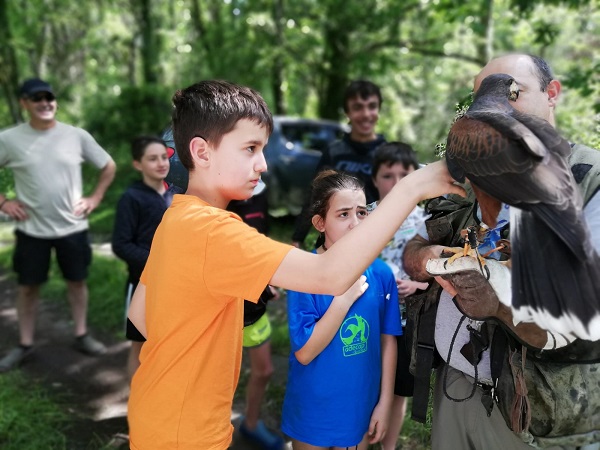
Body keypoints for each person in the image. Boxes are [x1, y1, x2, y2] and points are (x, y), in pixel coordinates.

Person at [126, 79, 463, 450]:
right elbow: (330, 275)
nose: (263, 163)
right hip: (185, 433)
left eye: (263, 148)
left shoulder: (175, 219)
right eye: (250, 148)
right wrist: (411, 188)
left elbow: (141, 315)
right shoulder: (215, 231)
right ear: (202, 152)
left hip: (156, 412)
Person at [402, 53, 600, 450]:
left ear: (552, 93)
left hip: (535, 409)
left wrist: (497, 303)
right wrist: (428, 259)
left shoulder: (590, 181)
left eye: (516, 91)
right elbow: (414, 242)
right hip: (455, 384)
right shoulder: (468, 170)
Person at [0, 78, 116, 372]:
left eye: (48, 98)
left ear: (55, 102)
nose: (44, 103)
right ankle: (25, 344)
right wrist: (4, 203)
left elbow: (108, 166)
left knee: (76, 282)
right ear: (24, 103)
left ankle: (81, 334)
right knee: (28, 288)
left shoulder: (75, 136)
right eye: (36, 98)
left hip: (72, 228)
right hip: (31, 230)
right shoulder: (9, 139)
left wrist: (95, 197)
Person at [281, 169, 401, 449]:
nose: (355, 223)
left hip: (360, 409)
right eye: (343, 214)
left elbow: (388, 341)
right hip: (313, 412)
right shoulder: (302, 272)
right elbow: (305, 352)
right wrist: (343, 299)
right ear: (320, 223)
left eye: (362, 212)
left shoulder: (381, 273)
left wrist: (384, 404)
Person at [368, 142, 429, 450]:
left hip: (407, 322)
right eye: (387, 175)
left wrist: (416, 287)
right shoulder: (363, 217)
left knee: (398, 389)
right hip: (369, 320)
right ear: (375, 178)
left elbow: (437, 274)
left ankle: (389, 445)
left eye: (403, 175)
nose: (395, 183)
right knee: (369, 385)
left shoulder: (424, 221)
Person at [111, 135, 179, 382]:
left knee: (169, 348)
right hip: (142, 286)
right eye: (152, 159)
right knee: (140, 348)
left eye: (164, 157)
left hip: (176, 287)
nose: (161, 163)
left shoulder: (176, 196)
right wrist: (157, 263)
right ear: (138, 164)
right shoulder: (131, 198)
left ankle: (161, 408)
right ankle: (137, 411)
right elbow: (121, 245)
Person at [291, 79, 386, 248]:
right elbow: (314, 196)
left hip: (375, 245)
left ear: (379, 110)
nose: (365, 113)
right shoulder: (334, 153)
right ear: (347, 113)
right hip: (333, 245)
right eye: (357, 107)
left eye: (371, 106)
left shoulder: (388, 154)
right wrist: (298, 238)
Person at [227, 180, 285, 450]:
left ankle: (250, 425)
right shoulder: (213, 198)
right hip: (223, 306)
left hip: (254, 305)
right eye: (249, 149)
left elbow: (260, 242)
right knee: (219, 376)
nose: (259, 162)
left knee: (264, 370)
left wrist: (267, 279)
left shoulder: (260, 192)